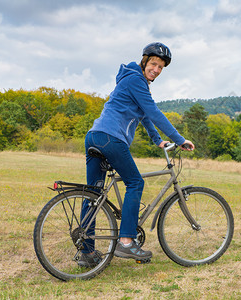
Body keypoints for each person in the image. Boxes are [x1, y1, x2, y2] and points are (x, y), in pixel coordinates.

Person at [79, 42, 195, 267]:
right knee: (135, 183)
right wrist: (180, 140)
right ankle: (126, 241)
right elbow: (153, 111)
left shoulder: (129, 79)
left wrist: (157, 140)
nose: (156, 70)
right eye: (153, 64)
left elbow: (143, 115)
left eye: (161, 67)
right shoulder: (136, 80)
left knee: (93, 194)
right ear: (144, 61)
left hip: (94, 136)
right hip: (111, 138)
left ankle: (87, 252)